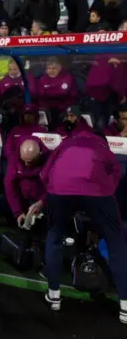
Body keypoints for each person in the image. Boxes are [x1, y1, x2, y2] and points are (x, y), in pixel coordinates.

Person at [40, 130, 127, 324]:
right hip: (96, 191)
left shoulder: (66, 143)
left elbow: (44, 174)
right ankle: (126, 306)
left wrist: (54, 193)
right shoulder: (102, 145)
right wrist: (105, 192)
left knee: (54, 237)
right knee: (116, 240)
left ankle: (54, 296)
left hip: (59, 189)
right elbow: (116, 171)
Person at [5, 136, 49, 228]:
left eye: (30, 162)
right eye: (23, 160)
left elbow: (53, 185)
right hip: (22, 196)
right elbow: (9, 184)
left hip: (41, 196)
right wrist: (18, 212)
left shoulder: (49, 159)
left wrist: (43, 201)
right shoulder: (14, 157)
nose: (26, 164)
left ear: (39, 154)